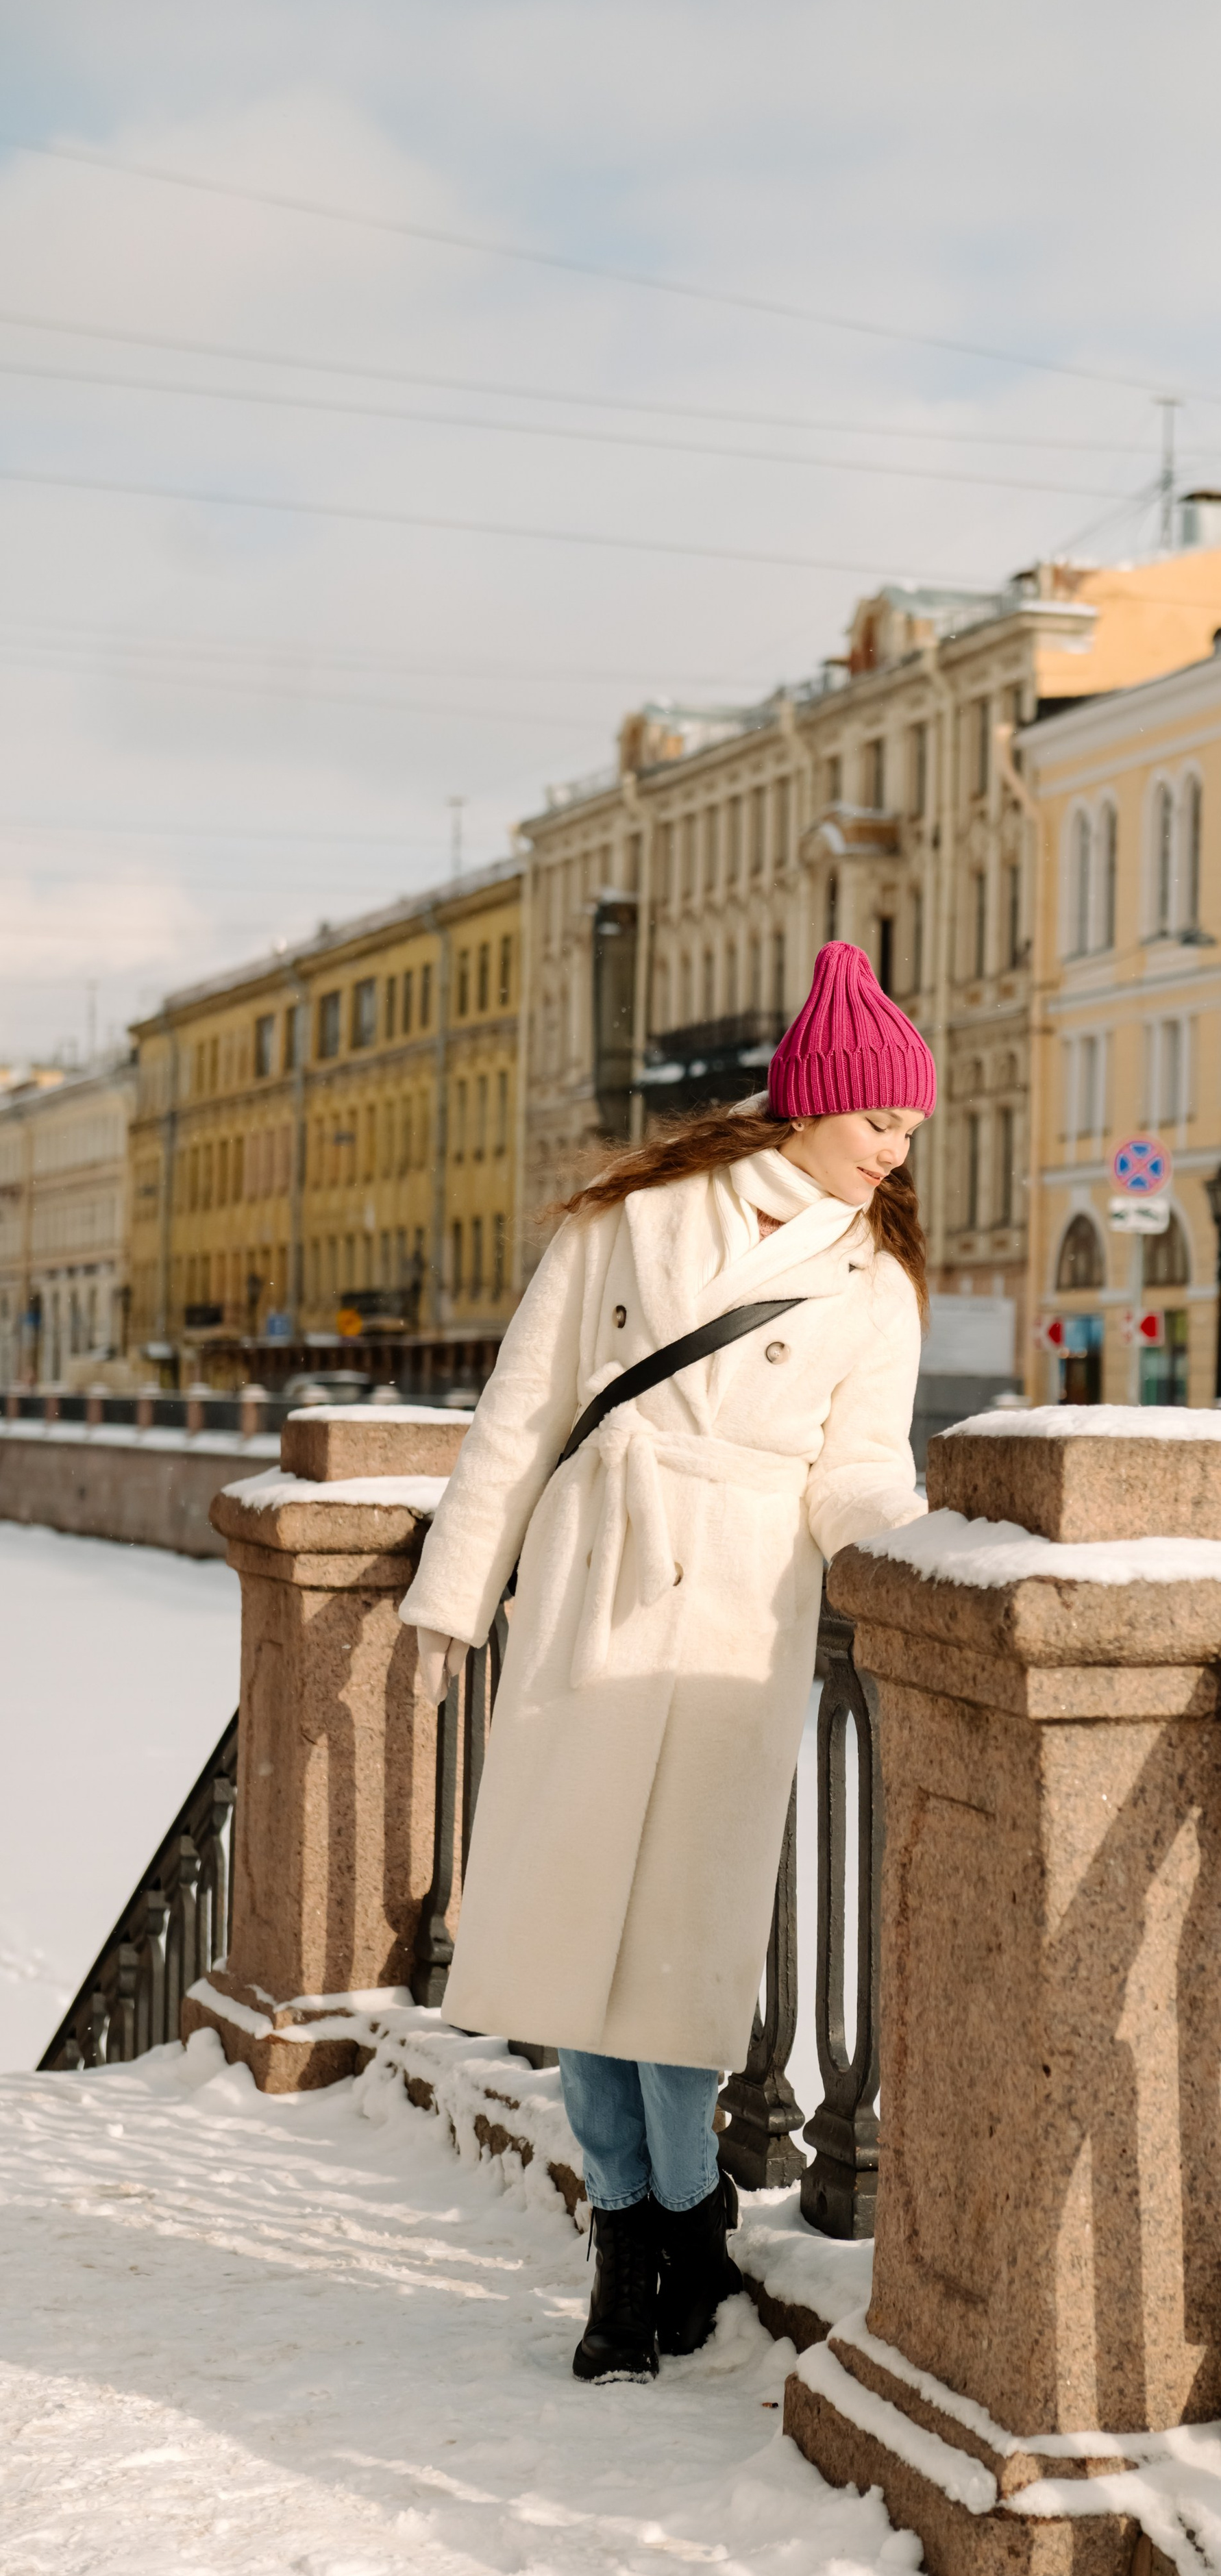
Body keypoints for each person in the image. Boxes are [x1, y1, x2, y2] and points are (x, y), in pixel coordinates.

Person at [397, 941, 933, 2381]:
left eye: (906, 1128)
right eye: (879, 1119)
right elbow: (519, 1416)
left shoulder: (872, 1285)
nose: (895, 1150)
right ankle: (630, 2241)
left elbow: (858, 1473)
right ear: (810, 1106)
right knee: (577, 1940)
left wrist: (923, 1562)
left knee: (679, 1952)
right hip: (592, 1580)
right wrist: (450, 1608)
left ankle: (682, 2206)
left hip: (739, 1613)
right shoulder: (625, 1222)